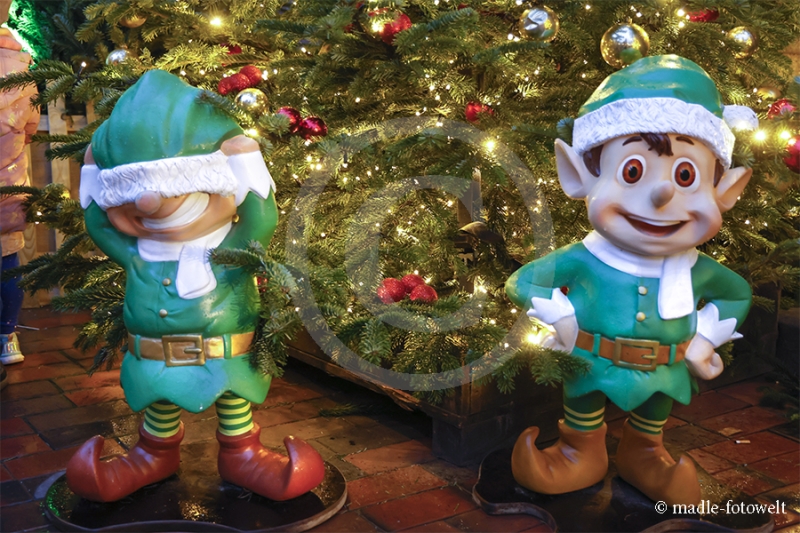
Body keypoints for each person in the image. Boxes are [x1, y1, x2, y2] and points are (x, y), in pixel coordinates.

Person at [506, 55, 755, 506]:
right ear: (579, 177)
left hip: (664, 368)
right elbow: (524, 282)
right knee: (582, 412)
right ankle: (579, 451)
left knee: (652, 418)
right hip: (590, 363)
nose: (662, 194)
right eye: (633, 171)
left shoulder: (697, 268)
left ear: (726, 192)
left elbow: (736, 295)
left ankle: (646, 454)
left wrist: (703, 340)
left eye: (685, 176)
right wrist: (560, 317)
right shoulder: (584, 258)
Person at [66, 70, 324, 503]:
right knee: (159, 408)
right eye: (131, 199)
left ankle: (241, 454)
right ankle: (154, 455)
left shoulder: (228, 250)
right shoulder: (138, 254)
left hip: (224, 357)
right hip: (152, 359)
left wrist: (244, 160)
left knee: (234, 404)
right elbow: (100, 226)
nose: (149, 204)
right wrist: (92, 173)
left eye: (176, 192)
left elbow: (262, 218)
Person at [0, 22, 39, 365]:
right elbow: (30, 125)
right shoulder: (22, 65)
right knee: (9, 261)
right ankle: (8, 336)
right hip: (9, 182)